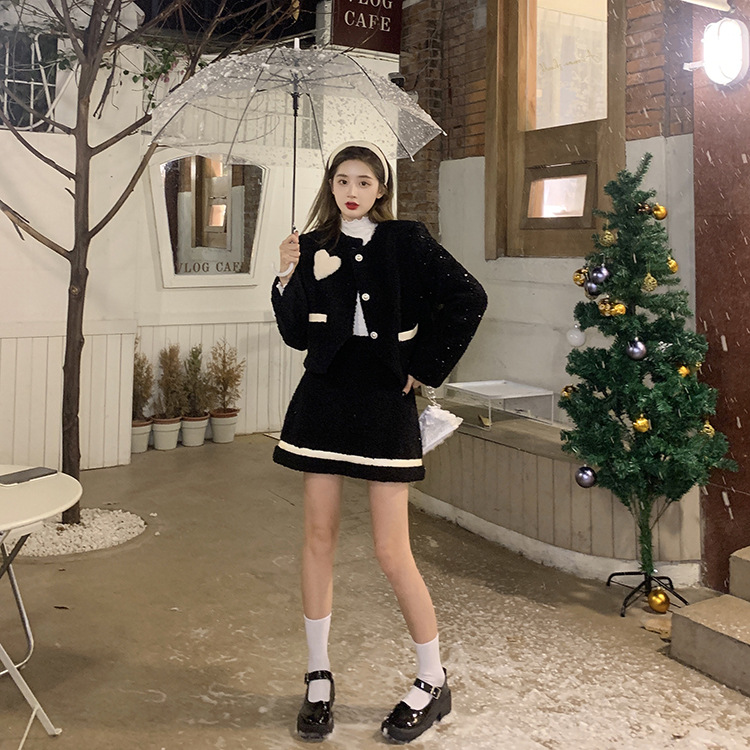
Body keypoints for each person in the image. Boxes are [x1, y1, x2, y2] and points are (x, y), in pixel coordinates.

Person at [271, 140, 487, 743]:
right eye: (343, 179)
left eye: (364, 181)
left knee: (393, 551)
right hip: (324, 398)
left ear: (381, 189)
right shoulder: (312, 244)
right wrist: (286, 275)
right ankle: (318, 676)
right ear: (331, 185)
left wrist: (424, 365)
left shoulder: (405, 240)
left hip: (385, 400)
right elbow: (296, 335)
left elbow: (469, 297)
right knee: (318, 537)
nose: (352, 191)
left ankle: (432, 678)